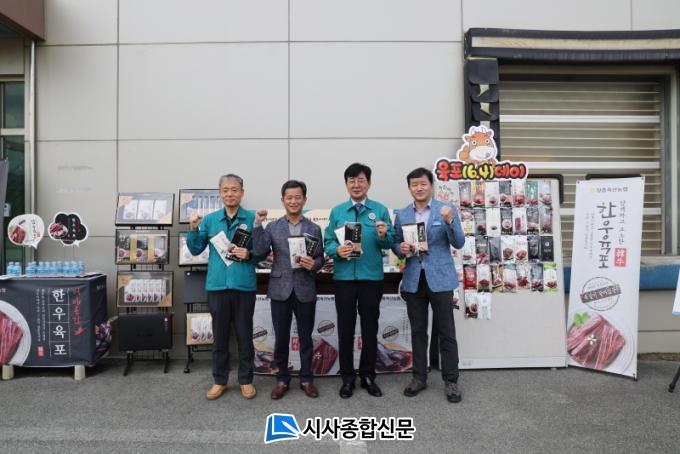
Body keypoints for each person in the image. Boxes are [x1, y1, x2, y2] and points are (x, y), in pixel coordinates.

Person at [187, 174, 264, 401]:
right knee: (219, 337)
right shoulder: (210, 220)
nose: (230, 194)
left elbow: (262, 251)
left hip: (243, 286)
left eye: (234, 190)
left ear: (242, 192)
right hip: (217, 286)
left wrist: (248, 254)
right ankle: (219, 380)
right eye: (225, 190)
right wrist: (193, 229)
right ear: (220, 193)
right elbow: (195, 249)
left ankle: (246, 380)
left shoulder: (252, 219)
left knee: (244, 336)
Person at [392, 167, 466, 403]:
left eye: (423, 183)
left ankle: (451, 380)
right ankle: (419, 377)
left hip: (441, 278)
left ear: (431, 185)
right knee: (417, 331)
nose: (419, 188)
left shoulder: (445, 209)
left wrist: (450, 221)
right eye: (414, 184)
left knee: (446, 331)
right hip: (414, 279)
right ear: (409, 188)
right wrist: (400, 248)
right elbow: (396, 243)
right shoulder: (403, 214)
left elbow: (459, 242)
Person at [323, 163, 395, 399]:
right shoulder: (337, 212)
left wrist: (384, 235)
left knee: (369, 329)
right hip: (344, 278)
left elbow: (390, 242)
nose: (356, 185)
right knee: (345, 329)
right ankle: (347, 378)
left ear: (369, 183)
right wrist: (336, 251)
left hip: (371, 278)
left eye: (361, 180)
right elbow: (328, 242)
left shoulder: (380, 210)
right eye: (352, 180)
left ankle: (368, 375)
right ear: (346, 184)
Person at [252, 180, 324, 400]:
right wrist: (257, 225)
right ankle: (282, 379)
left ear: (304, 199)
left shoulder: (314, 228)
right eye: (289, 197)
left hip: (305, 288)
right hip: (280, 289)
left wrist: (314, 264)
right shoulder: (273, 227)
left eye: (297, 197)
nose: (293, 201)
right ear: (282, 200)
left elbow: (320, 258)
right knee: (281, 338)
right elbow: (259, 252)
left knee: (306, 338)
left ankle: (306, 379)